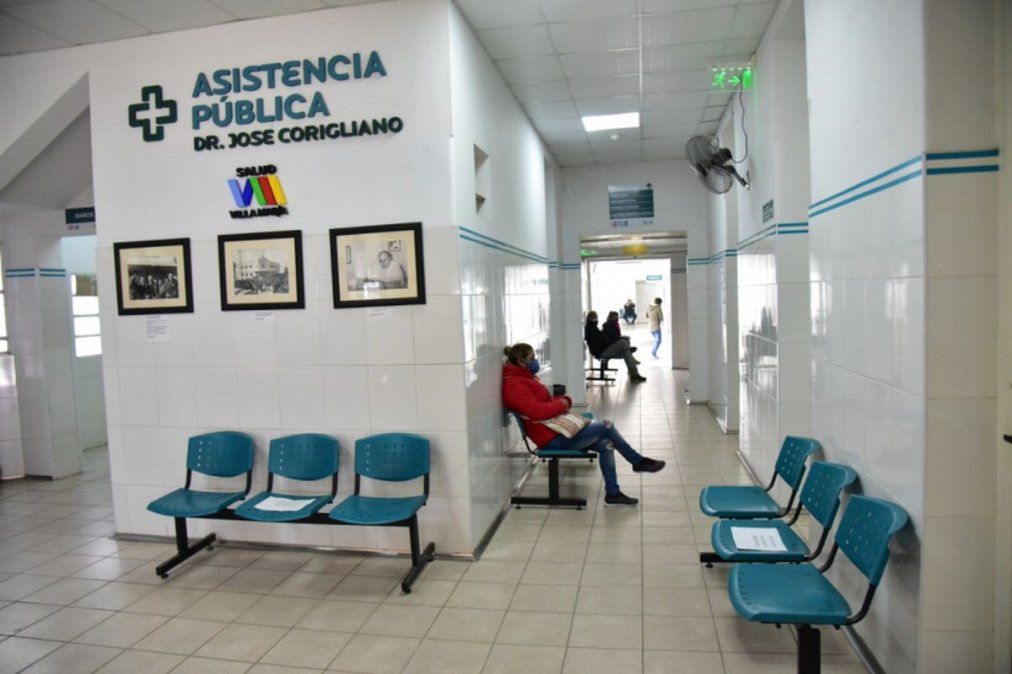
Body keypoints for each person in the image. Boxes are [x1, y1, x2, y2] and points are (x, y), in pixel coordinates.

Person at [501, 343, 665, 507]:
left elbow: (543, 402)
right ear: (521, 361)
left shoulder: (525, 377)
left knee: (606, 444)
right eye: (532, 359)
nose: (535, 361)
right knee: (606, 426)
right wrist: (563, 404)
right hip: (551, 439)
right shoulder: (515, 384)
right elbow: (537, 412)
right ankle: (637, 461)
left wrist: (560, 401)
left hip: (556, 430)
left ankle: (613, 494)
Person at [585, 311, 646, 383]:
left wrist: (608, 341)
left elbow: (603, 340)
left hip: (605, 349)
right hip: (601, 352)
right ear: (589, 318)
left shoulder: (594, 327)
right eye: (594, 318)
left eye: (596, 317)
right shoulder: (590, 329)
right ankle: (630, 351)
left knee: (626, 353)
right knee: (623, 342)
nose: (596, 319)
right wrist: (608, 342)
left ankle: (635, 375)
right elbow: (600, 342)